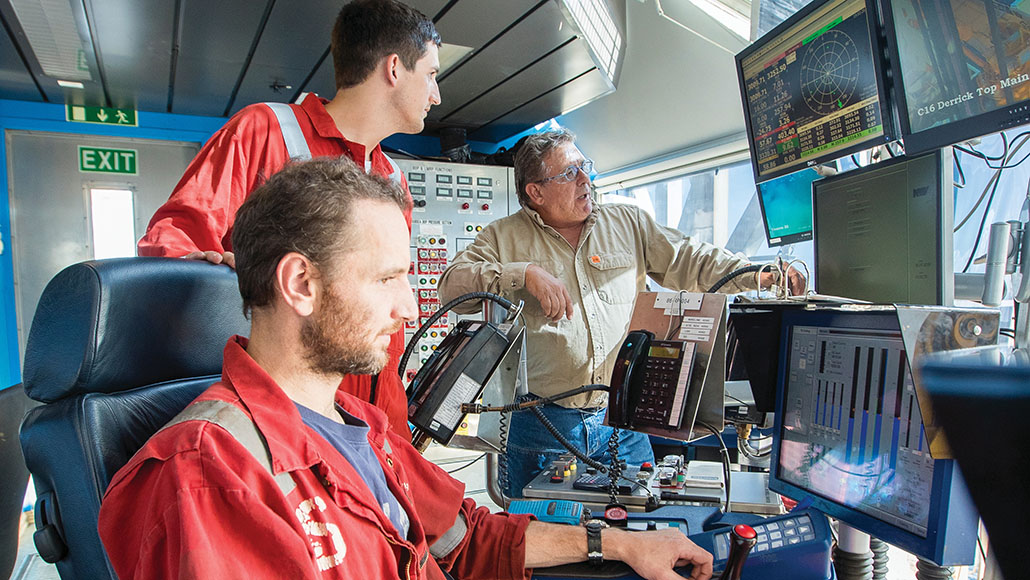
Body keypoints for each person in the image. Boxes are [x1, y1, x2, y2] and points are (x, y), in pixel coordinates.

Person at [98, 157, 715, 580]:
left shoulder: (362, 425)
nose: (406, 308)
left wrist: (621, 543)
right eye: (387, 279)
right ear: (300, 283)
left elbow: (469, 540)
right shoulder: (208, 474)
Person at [438, 129, 805, 497]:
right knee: (542, 536)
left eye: (584, 167)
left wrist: (760, 275)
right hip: (542, 424)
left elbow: (691, 259)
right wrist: (524, 273)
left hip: (623, 418)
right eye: (569, 173)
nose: (585, 180)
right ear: (536, 192)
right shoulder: (501, 238)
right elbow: (451, 287)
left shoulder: (627, 224)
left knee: (635, 526)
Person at [135, 0, 442, 440]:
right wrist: (211, 272)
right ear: (394, 68)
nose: (436, 95)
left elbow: (386, 320)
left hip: (368, 426)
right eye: (431, 75)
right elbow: (172, 244)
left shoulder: (392, 179)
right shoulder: (265, 130)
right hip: (280, 424)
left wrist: (393, 433)